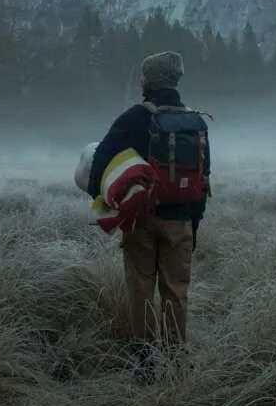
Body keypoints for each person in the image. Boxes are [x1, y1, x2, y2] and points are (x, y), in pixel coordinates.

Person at [88, 50, 210, 373]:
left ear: (149, 81)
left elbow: (100, 160)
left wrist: (105, 200)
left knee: (140, 287)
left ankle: (145, 359)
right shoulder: (194, 122)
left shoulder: (134, 118)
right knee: (176, 290)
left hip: (140, 219)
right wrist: (193, 227)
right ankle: (174, 357)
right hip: (181, 220)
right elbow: (202, 179)